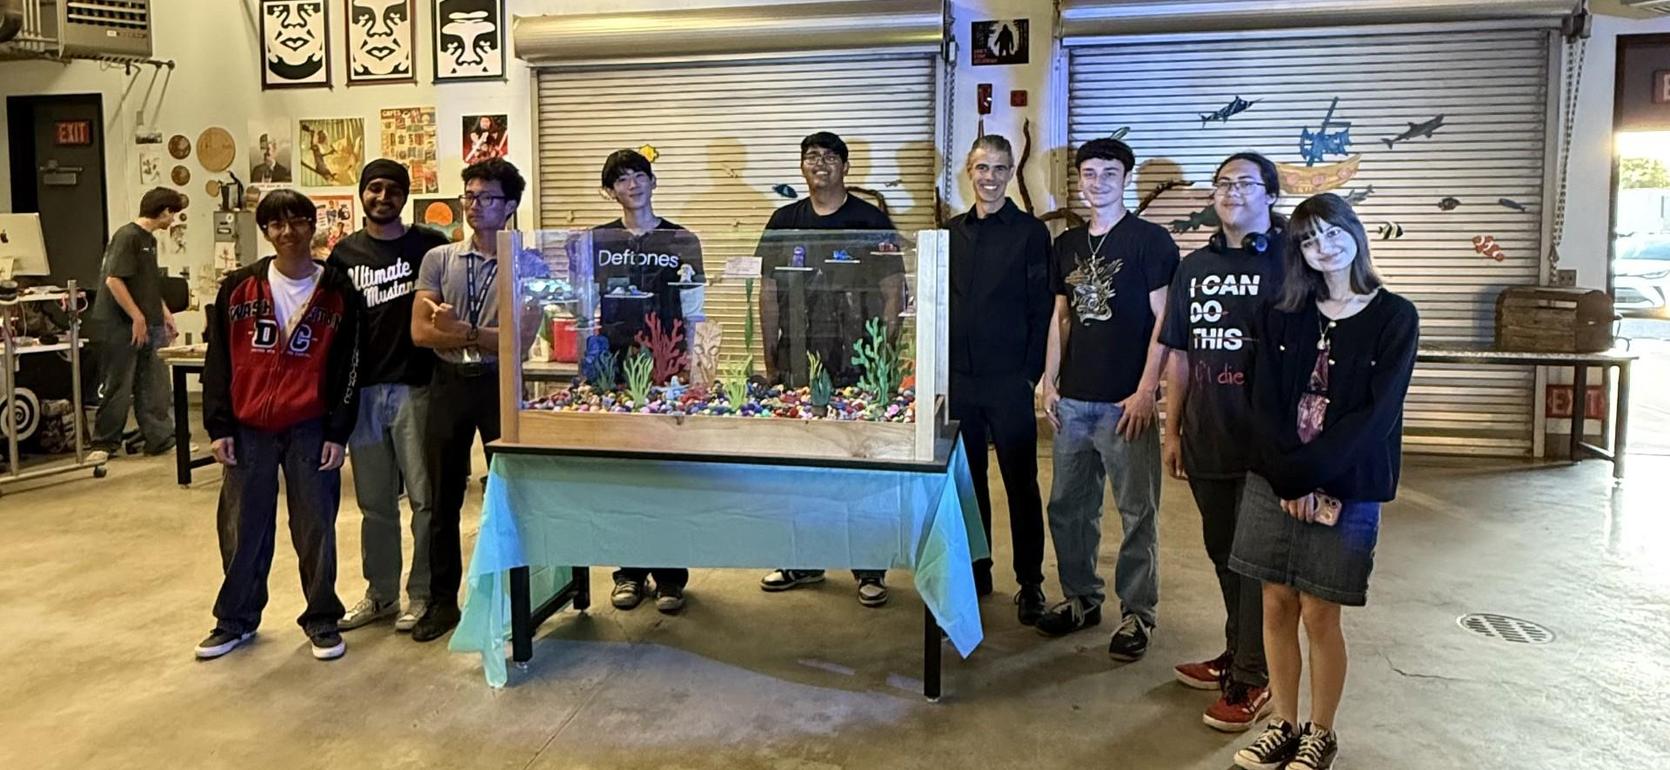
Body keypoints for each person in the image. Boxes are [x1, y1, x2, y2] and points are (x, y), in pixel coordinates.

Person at [1230, 193, 1418, 770]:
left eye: (1332, 233)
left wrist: (1307, 478)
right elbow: (1260, 399)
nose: (1323, 248)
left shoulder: (1394, 316)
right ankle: (1283, 723)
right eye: (1309, 241)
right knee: (1275, 602)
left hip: (1347, 482)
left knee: (1319, 612)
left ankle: (1321, 731)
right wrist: (1287, 480)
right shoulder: (1281, 311)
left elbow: (1376, 417)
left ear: (1354, 234)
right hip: (1275, 479)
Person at [195, 189, 363, 662]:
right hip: (249, 427)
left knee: (316, 526)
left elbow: (351, 364)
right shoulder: (238, 288)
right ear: (266, 231)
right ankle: (235, 620)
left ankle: (322, 618)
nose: (288, 232)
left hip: (311, 425)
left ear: (314, 226)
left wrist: (338, 430)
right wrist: (219, 425)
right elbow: (219, 361)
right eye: (276, 224)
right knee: (243, 526)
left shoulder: (338, 290)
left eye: (297, 222)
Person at [1036, 138, 1178, 663]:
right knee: (1068, 508)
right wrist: (1049, 381)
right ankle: (1080, 598)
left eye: (1109, 172)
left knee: (1137, 511)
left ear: (1126, 178)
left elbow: (1164, 321)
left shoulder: (1150, 241)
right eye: (1089, 173)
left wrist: (1147, 391)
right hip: (1073, 401)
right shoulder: (1067, 244)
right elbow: (1061, 317)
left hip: (1126, 403)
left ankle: (1137, 613)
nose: (1098, 182)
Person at [1158, 152, 1286, 732]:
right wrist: (1173, 429)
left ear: (1271, 196)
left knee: (1255, 560)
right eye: (1223, 182)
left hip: (1267, 443)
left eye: (1245, 183)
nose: (1231, 191)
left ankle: (1256, 680)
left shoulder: (1292, 262)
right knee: (1222, 554)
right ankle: (1239, 650)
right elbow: (1179, 354)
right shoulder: (1195, 267)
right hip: (1207, 433)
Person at [754, 131, 905, 607]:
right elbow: (768, 292)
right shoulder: (784, 220)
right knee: (800, 464)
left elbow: (893, 291)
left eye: (830, 157)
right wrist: (770, 357)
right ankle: (803, 560)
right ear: (802, 167)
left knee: (860, 463)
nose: (820, 164)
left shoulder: (869, 219)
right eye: (811, 157)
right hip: (799, 358)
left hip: (856, 361)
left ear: (845, 166)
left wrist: (884, 355)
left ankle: (869, 568)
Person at [409, 158, 546, 643]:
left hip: (499, 385)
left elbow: (519, 341)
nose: (473, 205)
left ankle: (515, 600)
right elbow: (421, 332)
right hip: (447, 384)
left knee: (510, 492)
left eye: (486, 198)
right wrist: (474, 334)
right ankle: (442, 601)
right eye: (469, 196)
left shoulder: (530, 262)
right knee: (441, 496)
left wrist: (459, 330)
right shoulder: (439, 260)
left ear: (509, 206)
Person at [328, 160, 450, 633]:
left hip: (418, 389)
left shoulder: (430, 247)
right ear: (362, 194)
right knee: (375, 503)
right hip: (364, 392)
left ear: (406, 194)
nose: (383, 197)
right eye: (374, 188)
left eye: (393, 189)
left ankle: (421, 595)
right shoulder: (344, 254)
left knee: (424, 498)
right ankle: (381, 595)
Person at [591, 148, 705, 615]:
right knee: (622, 472)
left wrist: (694, 365)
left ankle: (671, 577)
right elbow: (583, 304)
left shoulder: (681, 238)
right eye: (622, 179)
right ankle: (629, 573)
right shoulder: (596, 240)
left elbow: (694, 305)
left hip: (668, 364)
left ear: (653, 182)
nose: (632, 185)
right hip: (614, 368)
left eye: (640, 175)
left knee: (667, 472)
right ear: (610, 190)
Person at [945, 134, 1050, 625]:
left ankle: (1030, 582)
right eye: (982, 168)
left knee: (1021, 483)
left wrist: (1030, 374)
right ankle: (976, 566)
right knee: (969, 482)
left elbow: (1040, 306)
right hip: (961, 380)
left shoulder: (1030, 233)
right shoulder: (950, 232)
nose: (990, 178)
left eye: (1000, 169)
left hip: (1009, 380)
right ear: (970, 171)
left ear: (1011, 174)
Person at [91, 187, 183, 457]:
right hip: (122, 323)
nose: (173, 221)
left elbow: (148, 283)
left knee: (155, 383)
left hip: (150, 320)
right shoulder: (127, 236)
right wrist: (137, 317)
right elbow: (114, 280)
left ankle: (160, 438)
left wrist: (164, 313)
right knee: (119, 382)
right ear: (164, 211)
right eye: (173, 214)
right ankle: (104, 441)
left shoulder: (149, 240)